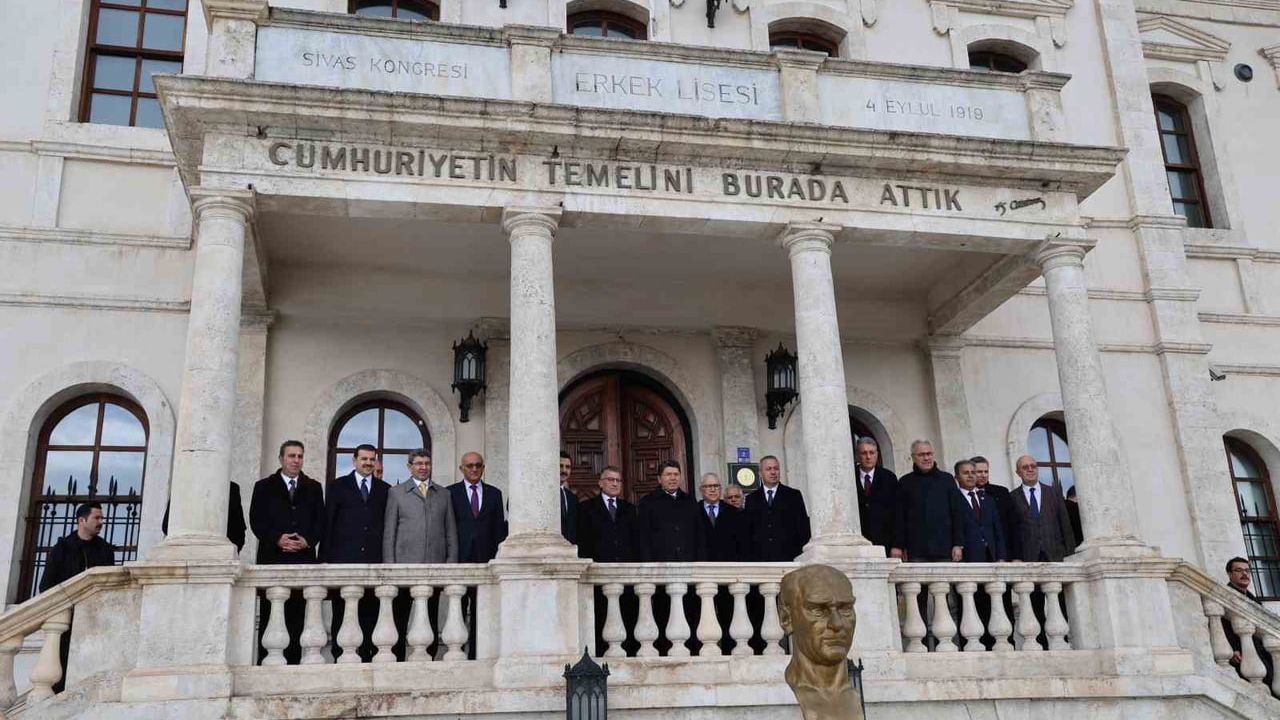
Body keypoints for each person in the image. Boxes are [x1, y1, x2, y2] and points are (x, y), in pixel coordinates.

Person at [249, 440, 325, 664]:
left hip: (303, 561)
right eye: (292, 456)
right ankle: (266, 665)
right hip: (272, 559)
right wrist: (277, 539)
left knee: (297, 617)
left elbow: (320, 521)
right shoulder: (263, 486)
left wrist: (307, 541)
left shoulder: (313, 487)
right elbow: (256, 520)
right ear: (281, 459)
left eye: (300, 456)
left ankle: (292, 664)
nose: (296, 460)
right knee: (271, 616)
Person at [383, 449, 457, 660]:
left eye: (426, 463)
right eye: (418, 463)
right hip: (403, 568)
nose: (423, 467)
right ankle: (396, 659)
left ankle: (430, 658)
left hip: (434, 567)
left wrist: (451, 562)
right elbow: (390, 533)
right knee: (400, 616)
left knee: (430, 616)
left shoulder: (444, 494)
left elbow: (450, 531)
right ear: (409, 467)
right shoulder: (396, 493)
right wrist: (390, 566)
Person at [323, 444, 391, 662]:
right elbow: (329, 525)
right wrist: (324, 561)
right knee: (342, 613)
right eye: (364, 459)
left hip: (374, 562)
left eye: (372, 459)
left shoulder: (385, 489)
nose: (368, 463)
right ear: (354, 461)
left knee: (370, 613)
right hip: (343, 561)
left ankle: (367, 656)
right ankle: (339, 657)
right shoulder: (337, 487)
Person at [39, 502, 115, 693]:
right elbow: (46, 585)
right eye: (97, 518)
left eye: (102, 518)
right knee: (61, 670)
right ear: (82, 520)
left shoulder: (105, 549)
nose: (101, 522)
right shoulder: (63, 548)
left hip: (95, 621)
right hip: (66, 621)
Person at [778, 565, 865, 720]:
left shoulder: (855, 695)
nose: (836, 624)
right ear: (787, 618)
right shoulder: (777, 696)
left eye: (845, 609)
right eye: (818, 610)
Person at [577, 466, 641, 654]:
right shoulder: (586, 508)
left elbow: (635, 541)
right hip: (598, 576)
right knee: (600, 618)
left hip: (626, 576)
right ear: (600, 483)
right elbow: (583, 541)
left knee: (628, 617)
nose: (614, 483)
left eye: (618, 480)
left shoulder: (629, 509)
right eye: (610, 480)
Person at [893, 440, 963, 562]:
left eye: (929, 454)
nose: (926, 458)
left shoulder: (947, 480)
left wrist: (958, 544)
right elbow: (899, 517)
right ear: (913, 458)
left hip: (945, 549)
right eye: (921, 455)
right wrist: (898, 546)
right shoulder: (905, 482)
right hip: (916, 550)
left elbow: (956, 514)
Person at [1007, 455, 1076, 562]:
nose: (1030, 469)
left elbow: (1065, 526)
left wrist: (1071, 555)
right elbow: (1011, 532)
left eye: (1033, 466)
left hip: (1056, 556)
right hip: (1028, 559)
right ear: (1018, 472)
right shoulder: (1012, 497)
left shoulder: (1054, 493)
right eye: (1025, 467)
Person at [745, 456, 811, 561]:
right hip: (761, 560)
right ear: (760, 473)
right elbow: (749, 532)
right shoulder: (751, 499)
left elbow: (802, 528)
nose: (773, 472)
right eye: (768, 469)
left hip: (789, 557)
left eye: (776, 468)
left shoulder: (793, 495)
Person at [639, 460, 706, 562]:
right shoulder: (648, 502)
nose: (673, 478)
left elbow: (699, 534)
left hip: (688, 562)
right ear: (659, 479)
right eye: (668, 474)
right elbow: (643, 537)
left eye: (676, 474)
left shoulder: (690, 501)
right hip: (660, 565)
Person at [1223, 557, 1275, 686]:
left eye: (1247, 570)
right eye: (1239, 570)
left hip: (1262, 651)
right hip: (1242, 653)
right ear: (1230, 574)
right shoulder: (1225, 595)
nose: (1245, 574)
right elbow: (1221, 624)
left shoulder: (1253, 599)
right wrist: (1232, 649)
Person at [448, 452, 507, 563]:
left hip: (488, 555)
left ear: (483, 468)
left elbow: (498, 528)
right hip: (460, 555)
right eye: (470, 466)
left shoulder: (495, 493)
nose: (474, 469)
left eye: (478, 465)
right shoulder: (450, 493)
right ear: (461, 469)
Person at [161, 481, 247, 553]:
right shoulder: (181, 486)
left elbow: (238, 529)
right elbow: (167, 525)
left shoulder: (231, 488)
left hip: (219, 557)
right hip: (182, 553)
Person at [853, 437, 898, 557]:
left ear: (877, 454)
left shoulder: (889, 478)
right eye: (864, 453)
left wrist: (897, 544)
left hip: (884, 542)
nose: (868, 457)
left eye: (871, 453)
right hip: (857, 543)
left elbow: (897, 512)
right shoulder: (849, 476)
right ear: (857, 456)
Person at [954, 460, 1006, 562]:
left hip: (991, 556)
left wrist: (1001, 557)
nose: (970, 476)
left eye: (973, 472)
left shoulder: (988, 500)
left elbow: (998, 531)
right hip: (967, 558)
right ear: (957, 477)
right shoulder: (953, 499)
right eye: (966, 473)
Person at [699, 473, 745, 561]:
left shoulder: (734, 512)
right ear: (701, 490)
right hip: (702, 566)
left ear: (720, 489)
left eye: (716, 486)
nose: (713, 490)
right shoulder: (694, 511)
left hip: (729, 566)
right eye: (708, 486)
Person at [972, 455, 1013, 548]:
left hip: (1001, 549)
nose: (983, 475)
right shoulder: (964, 495)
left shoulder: (1001, 492)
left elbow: (1012, 525)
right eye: (979, 472)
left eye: (986, 471)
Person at [559, 450, 578, 545]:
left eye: (568, 467)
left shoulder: (573, 498)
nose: (564, 471)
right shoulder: (542, 494)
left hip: (569, 550)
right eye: (560, 466)